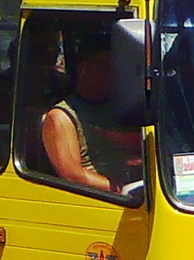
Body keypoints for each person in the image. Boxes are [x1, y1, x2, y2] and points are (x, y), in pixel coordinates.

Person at [41, 36, 141, 193]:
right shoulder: (61, 117)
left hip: (136, 189)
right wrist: (120, 191)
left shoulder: (122, 107)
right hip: (100, 199)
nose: (111, 74)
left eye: (115, 68)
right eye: (103, 67)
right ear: (82, 67)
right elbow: (73, 176)